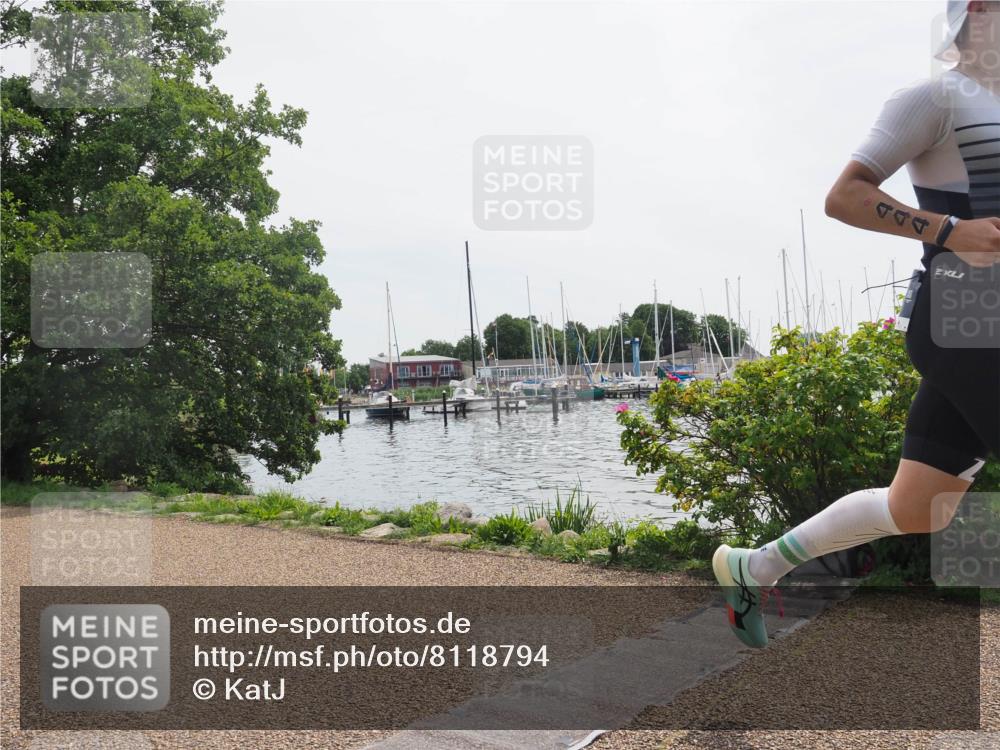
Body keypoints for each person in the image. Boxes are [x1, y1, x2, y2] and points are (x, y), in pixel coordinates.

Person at [713, 0, 1000, 648]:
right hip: (962, 317)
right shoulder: (932, 101)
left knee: (916, 506)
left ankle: (754, 567)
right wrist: (949, 230)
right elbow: (844, 195)